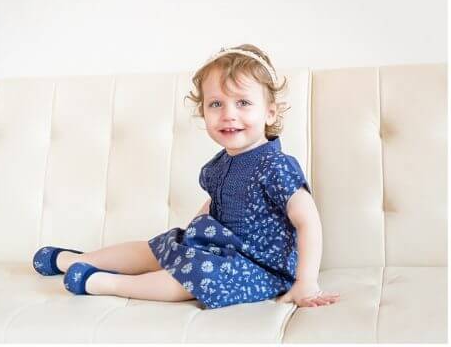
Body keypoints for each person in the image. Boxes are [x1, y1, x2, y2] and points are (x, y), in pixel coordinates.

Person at [32, 44, 338, 309]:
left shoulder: (277, 165)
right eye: (216, 104)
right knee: (160, 247)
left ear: (270, 113)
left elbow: (307, 220)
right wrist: (192, 233)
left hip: (260, 265)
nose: (228, 113)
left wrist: (306, 281)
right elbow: (214, 203)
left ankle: (104, 283)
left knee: (196, 276)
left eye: (243, 103)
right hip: (219, 246)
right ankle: (75, 260)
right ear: (203, 112)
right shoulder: (220, 163)